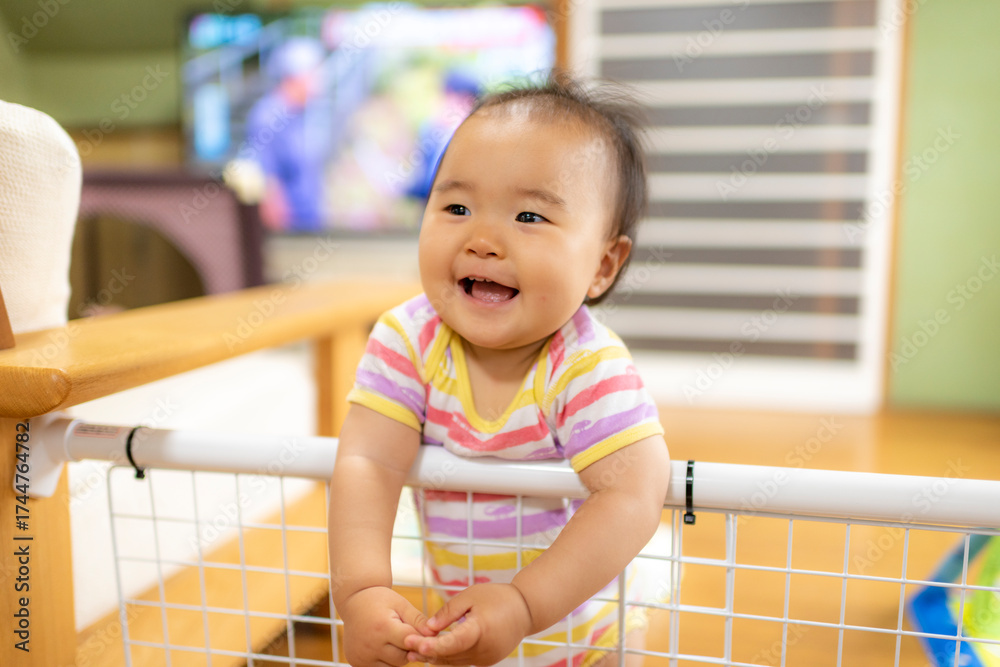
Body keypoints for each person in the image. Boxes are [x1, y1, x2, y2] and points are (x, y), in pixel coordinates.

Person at [327, 71, 672, 667]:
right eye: (457, 207)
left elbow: (633, 493)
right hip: (469, 632)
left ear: (602, 265)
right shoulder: (408, 341)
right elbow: (368, 462)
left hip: (591, 639)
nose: (483, 239)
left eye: (529, 217)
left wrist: (523, 604)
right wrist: (359, 592)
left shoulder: (586, 365)